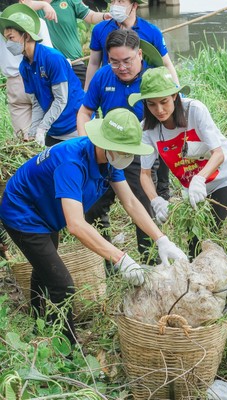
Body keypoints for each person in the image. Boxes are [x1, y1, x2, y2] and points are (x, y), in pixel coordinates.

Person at [0, 108, 187, 345]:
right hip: (23, 213)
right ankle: (67, 348)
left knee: (46, 266)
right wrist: (120, 258)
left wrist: (161, 239)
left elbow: (130, 202)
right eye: (123, 151)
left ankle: (39, 319)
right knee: (62, 285)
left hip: (46, 210)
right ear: (105, 143)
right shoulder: (71, 162)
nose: (127, 156)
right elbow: (76, 225)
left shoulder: (111, 159)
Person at [128, 67, 227, 257]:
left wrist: (200, 179)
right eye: (152, 104)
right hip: (191, 183)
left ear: (174, 96)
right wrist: (156, 201)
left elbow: (218, 154)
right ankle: (197, 275)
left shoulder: (194, 111)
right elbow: (145, 174)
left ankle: (214, 271)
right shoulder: (147, 130)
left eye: (164, 102)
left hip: (223, 175)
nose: (159, 110)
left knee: (209, 234)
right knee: (194, 239)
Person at [77, 29, 157, 264]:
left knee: (140, 205)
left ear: (139, 54)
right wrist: (85, 141)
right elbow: (85, 111)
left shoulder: (151, 79)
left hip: (138, 153)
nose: (121, 67)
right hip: (105, 152)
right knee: (93, 207)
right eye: (114, 62)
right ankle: (108, 263)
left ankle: (150, 262)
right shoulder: (103, 76)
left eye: (127, 61)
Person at [0, 4, 84, 146]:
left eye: (11, 37)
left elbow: (61, 99)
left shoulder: (53, 58)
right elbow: (36, 103)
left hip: (74, 124)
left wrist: (42, 127)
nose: (8, 43)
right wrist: (33, 132)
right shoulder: (24, 66)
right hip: (55, 129)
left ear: (26, 35)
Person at [84, 0, 178, 91]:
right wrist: (87, 91)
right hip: (111, 89)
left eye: (120, 1)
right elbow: (94, 63)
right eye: (113, 1)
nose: (115, 5)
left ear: (134, 5)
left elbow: (166, 64)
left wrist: (177, 90)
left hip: (144, 89)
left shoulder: (152, 32)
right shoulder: (100, 30)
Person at [20, 0, 112, 87]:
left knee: (80, 101)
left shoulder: (70, 1)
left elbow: (91, 16)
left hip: (74, 64)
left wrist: (104, 16)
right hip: (47, 68)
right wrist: (44, 5)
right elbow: (20, 8)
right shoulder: (32, 4)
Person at [0, 2, 53, 138]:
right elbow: (48, 54)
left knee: (24, 139)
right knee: (46, 134)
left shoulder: (2, 26)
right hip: (39, 79)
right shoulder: (38, 23)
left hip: (15, 84)